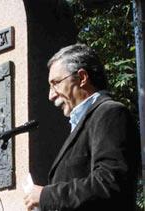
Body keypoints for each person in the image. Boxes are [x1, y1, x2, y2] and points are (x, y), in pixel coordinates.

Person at [24, 44, 140, 211]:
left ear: (82, 77)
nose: (51, 95)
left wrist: (46, 195)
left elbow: (109, 184)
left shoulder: (111, 113)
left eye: (55, 83)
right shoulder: (84, 122)